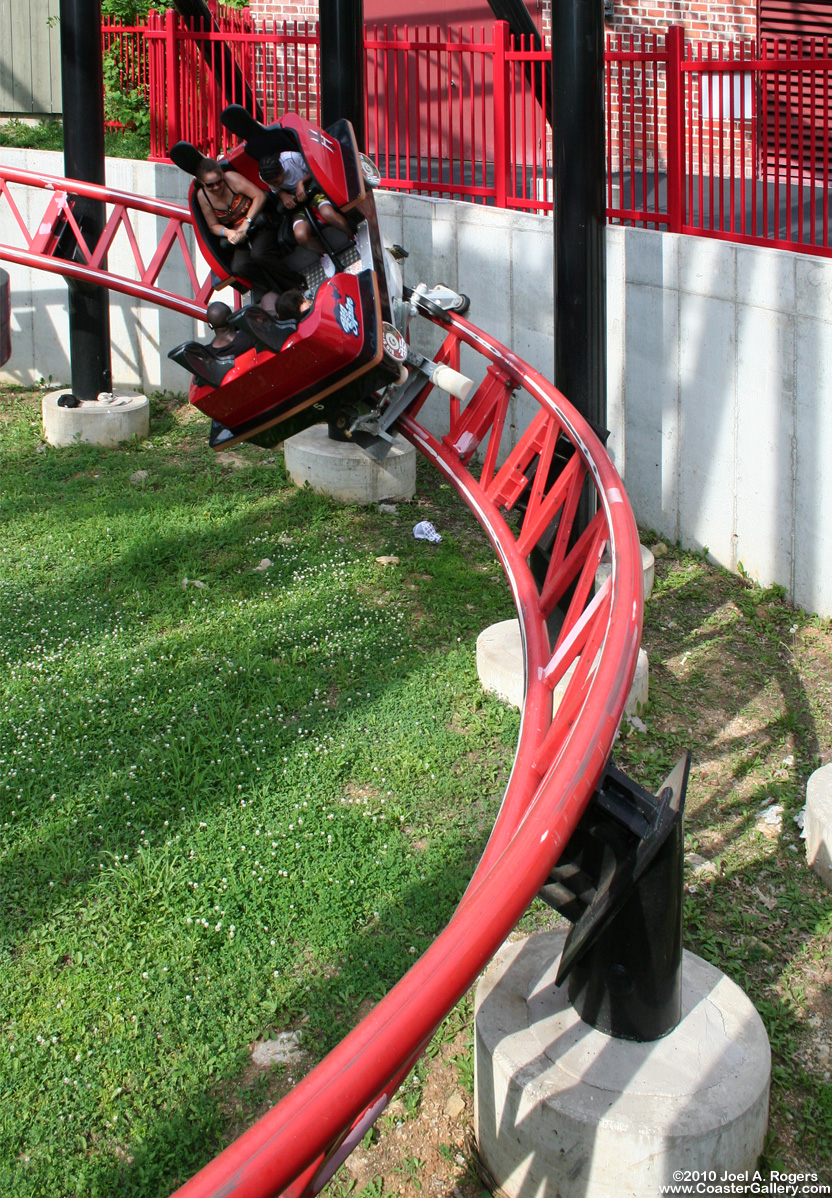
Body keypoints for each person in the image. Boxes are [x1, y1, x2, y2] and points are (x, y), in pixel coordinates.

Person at [194, 158, 302, 294]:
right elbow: (212, 225)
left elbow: (259, 196)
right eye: (210, 185)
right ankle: (276, 290)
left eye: (219, 182)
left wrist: (247, 222)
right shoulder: (203, 197)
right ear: (202, 184)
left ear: (222, 175)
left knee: (260, 254)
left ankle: (297, 282)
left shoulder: (231, 179)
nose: (216, 187)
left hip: (258, 222)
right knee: (240, 266)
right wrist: (228, 233)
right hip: (239, 234)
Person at [258, 151, 353, 278]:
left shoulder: (292, 158)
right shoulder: (264, 176)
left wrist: (301, 182)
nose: (275, 184)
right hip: (297, 203)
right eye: (272, 183)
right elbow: (275, 190)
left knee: (327, 213)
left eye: (277, 181)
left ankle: (353, 236)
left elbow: (315, 168)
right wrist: (282, 195)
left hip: (312, 191)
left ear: (281, 170)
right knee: (300, 235)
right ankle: (324, 254)